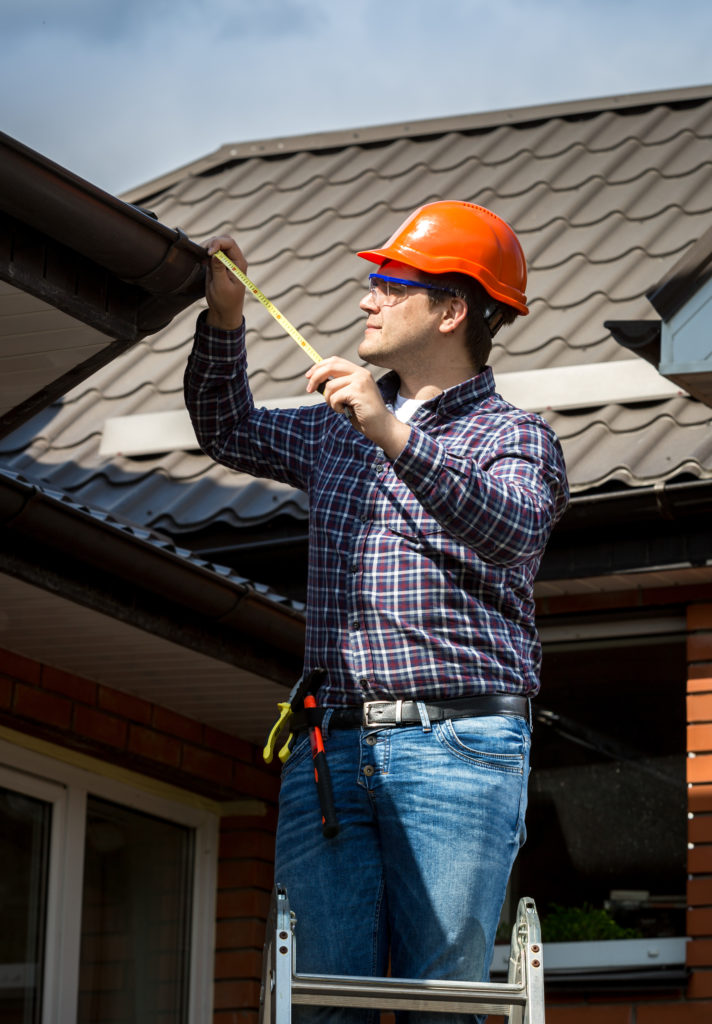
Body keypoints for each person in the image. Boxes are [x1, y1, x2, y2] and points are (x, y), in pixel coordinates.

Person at [185, 200, 569, 1023]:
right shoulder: (339, 429)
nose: (366, 298)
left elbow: (510, 530)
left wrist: (390, 431)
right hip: (333, 742)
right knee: (324, 1004)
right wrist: (223, 320)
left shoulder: (516, 438)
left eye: (390, 283)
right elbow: (226, 427)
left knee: (442, 1003)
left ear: (452, 309)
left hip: (459, 744)